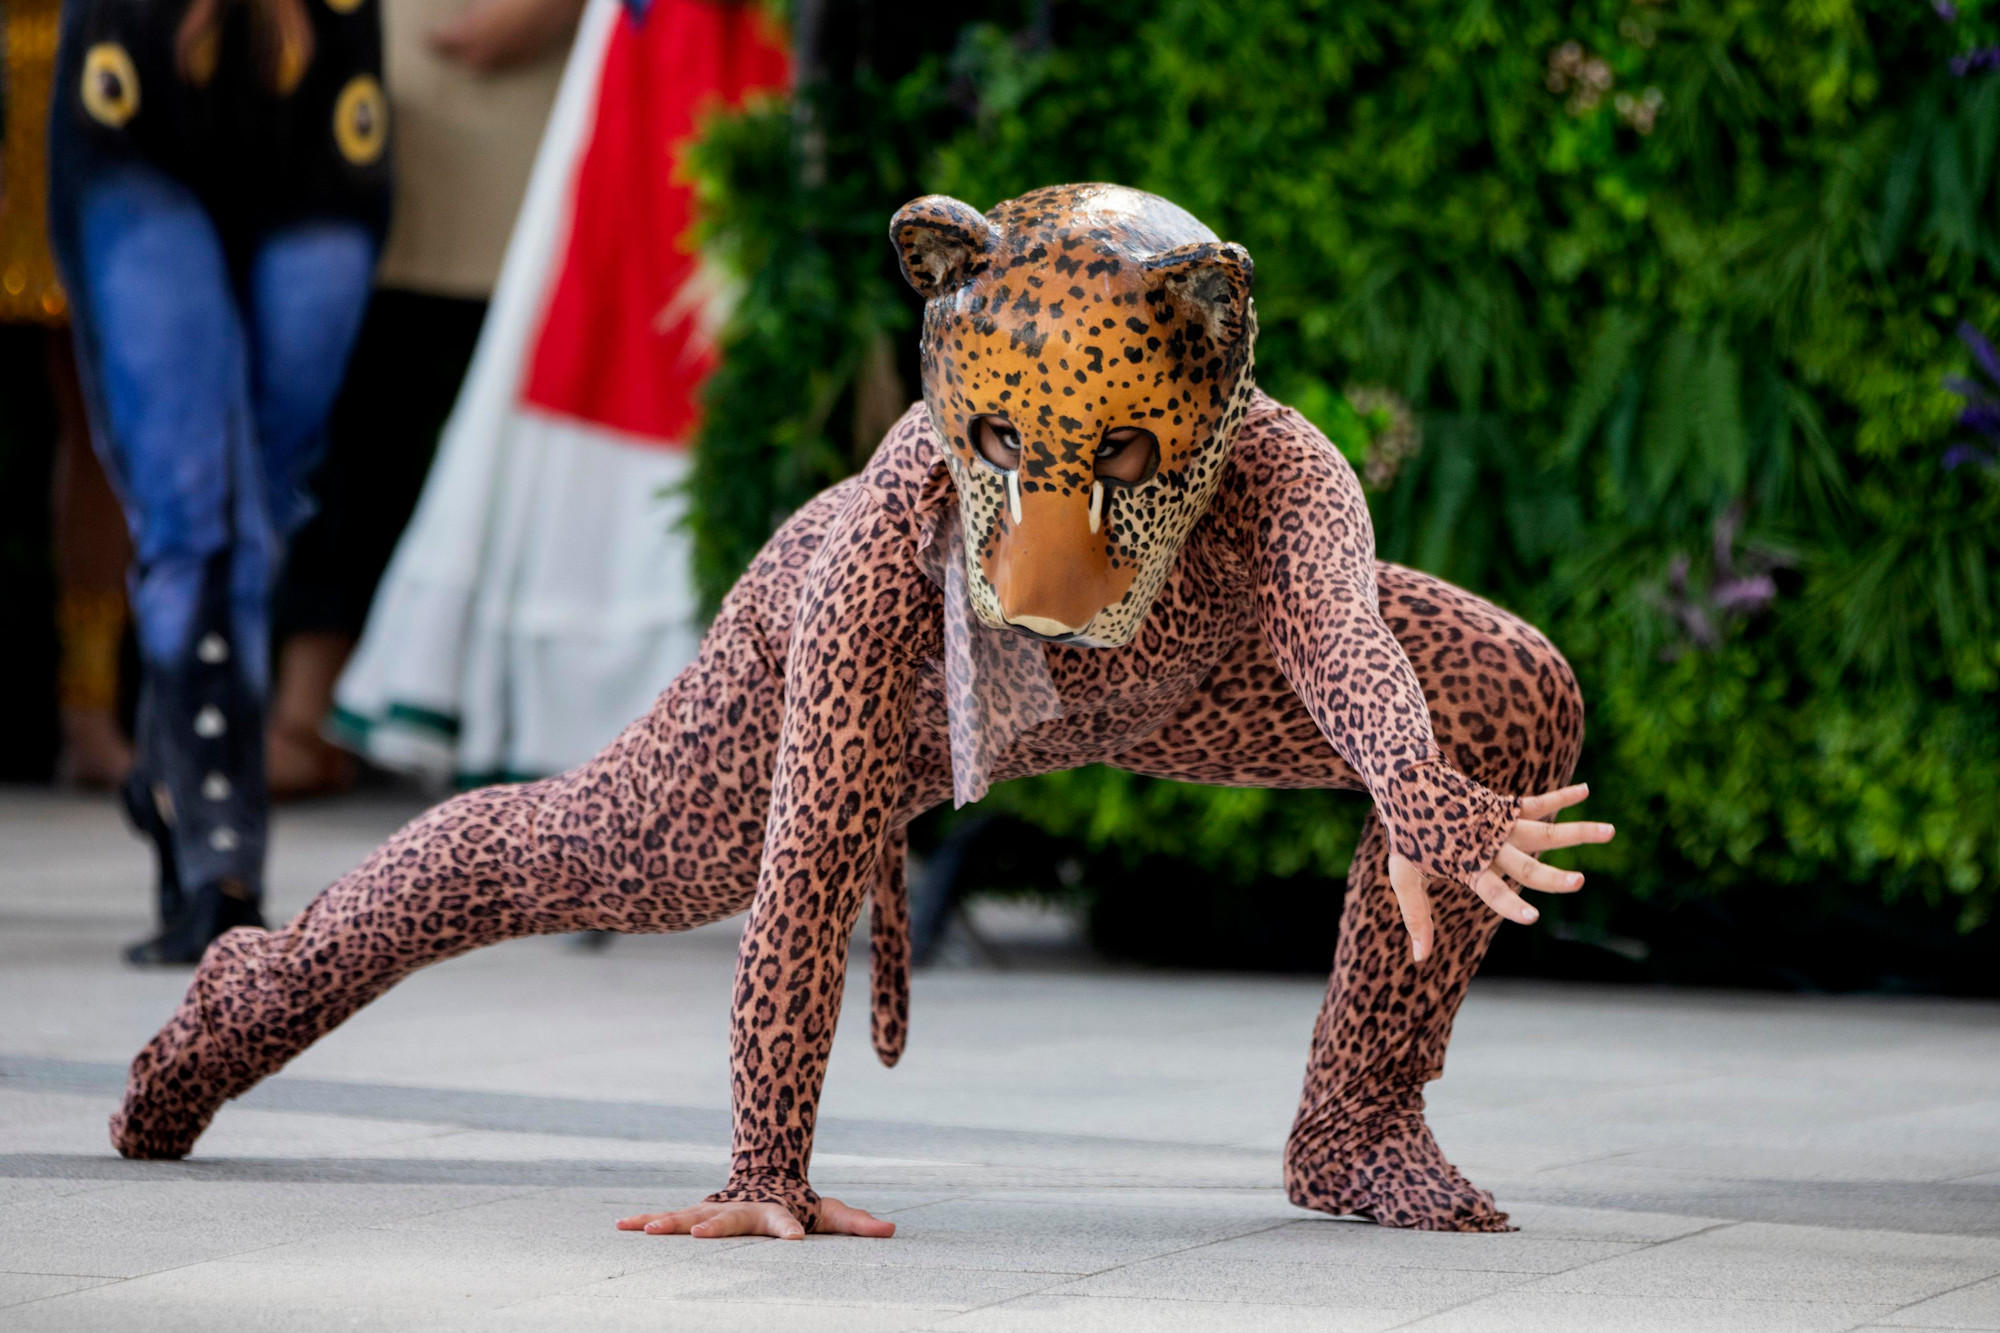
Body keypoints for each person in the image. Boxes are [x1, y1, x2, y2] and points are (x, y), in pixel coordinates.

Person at [108, 184, 1615, 1236]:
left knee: (1510, 686)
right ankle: (251, 991)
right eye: (1012, 447)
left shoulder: (1287, 478)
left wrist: (1418, 782)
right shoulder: (883, 546)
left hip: (1171, 677)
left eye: (1127, 463)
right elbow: (808, 862)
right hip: (880, 706)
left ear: (1220, 384)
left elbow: (1342, 638)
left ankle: (1359, 1127)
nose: (1049, 535)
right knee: (581, 851)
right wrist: (769, 1162)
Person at [330, 0, 788, 786]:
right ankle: (612, 731)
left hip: (769, 46)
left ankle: (759, 723)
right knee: (608, 326)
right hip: (664, 46)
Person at [47, 0, 391, 962]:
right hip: (135, 89)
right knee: (200, 497)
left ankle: (174, 775)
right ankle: (218, 860)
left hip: (323, 96)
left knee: (262, 492)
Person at [265, 0, 584, 799]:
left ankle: (532, 726)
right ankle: (306, 715)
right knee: (346, 417)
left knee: (536, 435)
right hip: (370, 87)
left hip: (540, 101)